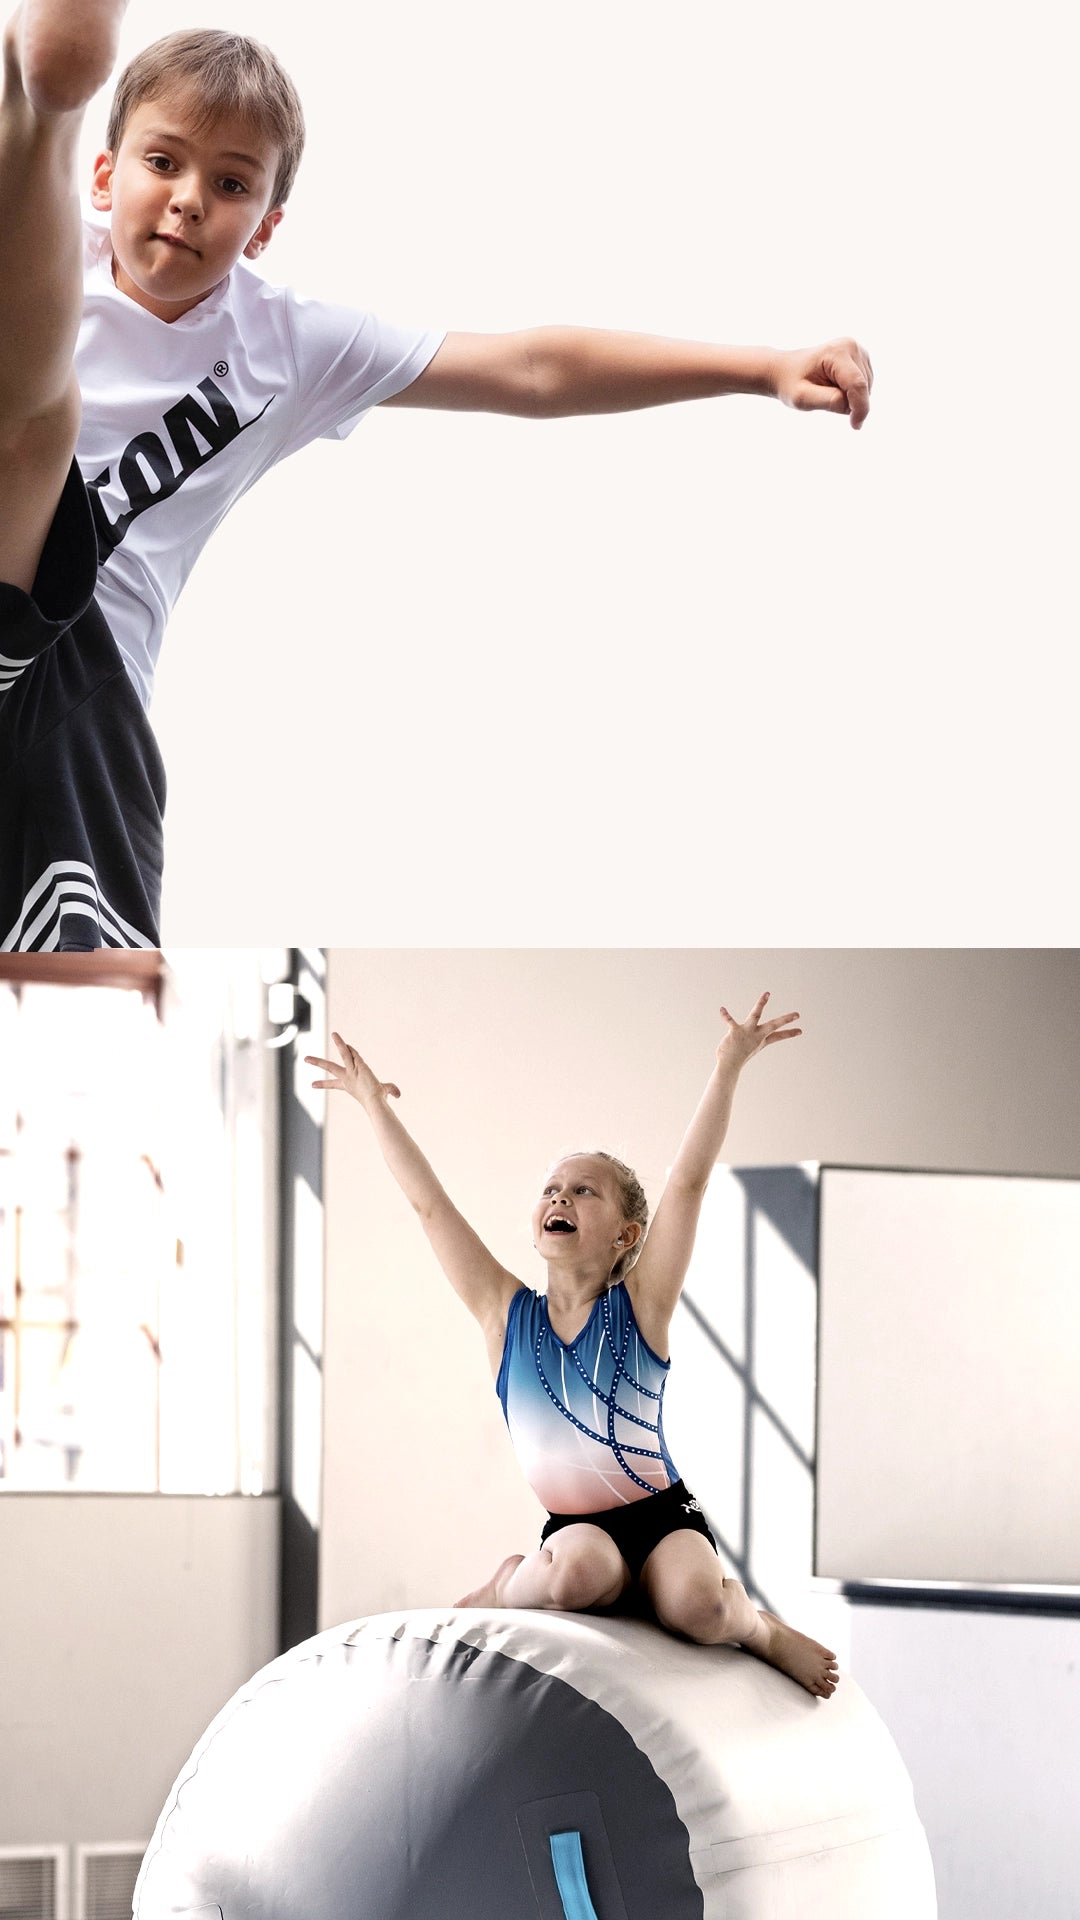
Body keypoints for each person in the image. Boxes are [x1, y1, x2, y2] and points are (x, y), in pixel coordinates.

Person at [0, 2, 874, 952]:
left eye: (231, 181)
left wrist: (760, 369)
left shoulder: (288, 346)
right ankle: (41, 104)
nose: (188, 198)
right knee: (36, 423)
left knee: (88, 991)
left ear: (264, 227)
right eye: (162, 162)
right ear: (104, 172)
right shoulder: (45, 258)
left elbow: (533, 369)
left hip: (84, 694)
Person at [307, 991, 840, 1699]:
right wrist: (374, 1105)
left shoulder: (640, 1307)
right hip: (576, 1524)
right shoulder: (504, 1315)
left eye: (585, 1191)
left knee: (699, 1607)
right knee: (572, 1577)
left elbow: (687, 1182)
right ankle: (507, 1583)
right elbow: (429, 1205)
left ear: (625, 1235)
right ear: (536, 1223)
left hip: (661, 1513)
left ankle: (764, 1630)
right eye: (552, 1190)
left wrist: (729, 1067)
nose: (560, 1198)